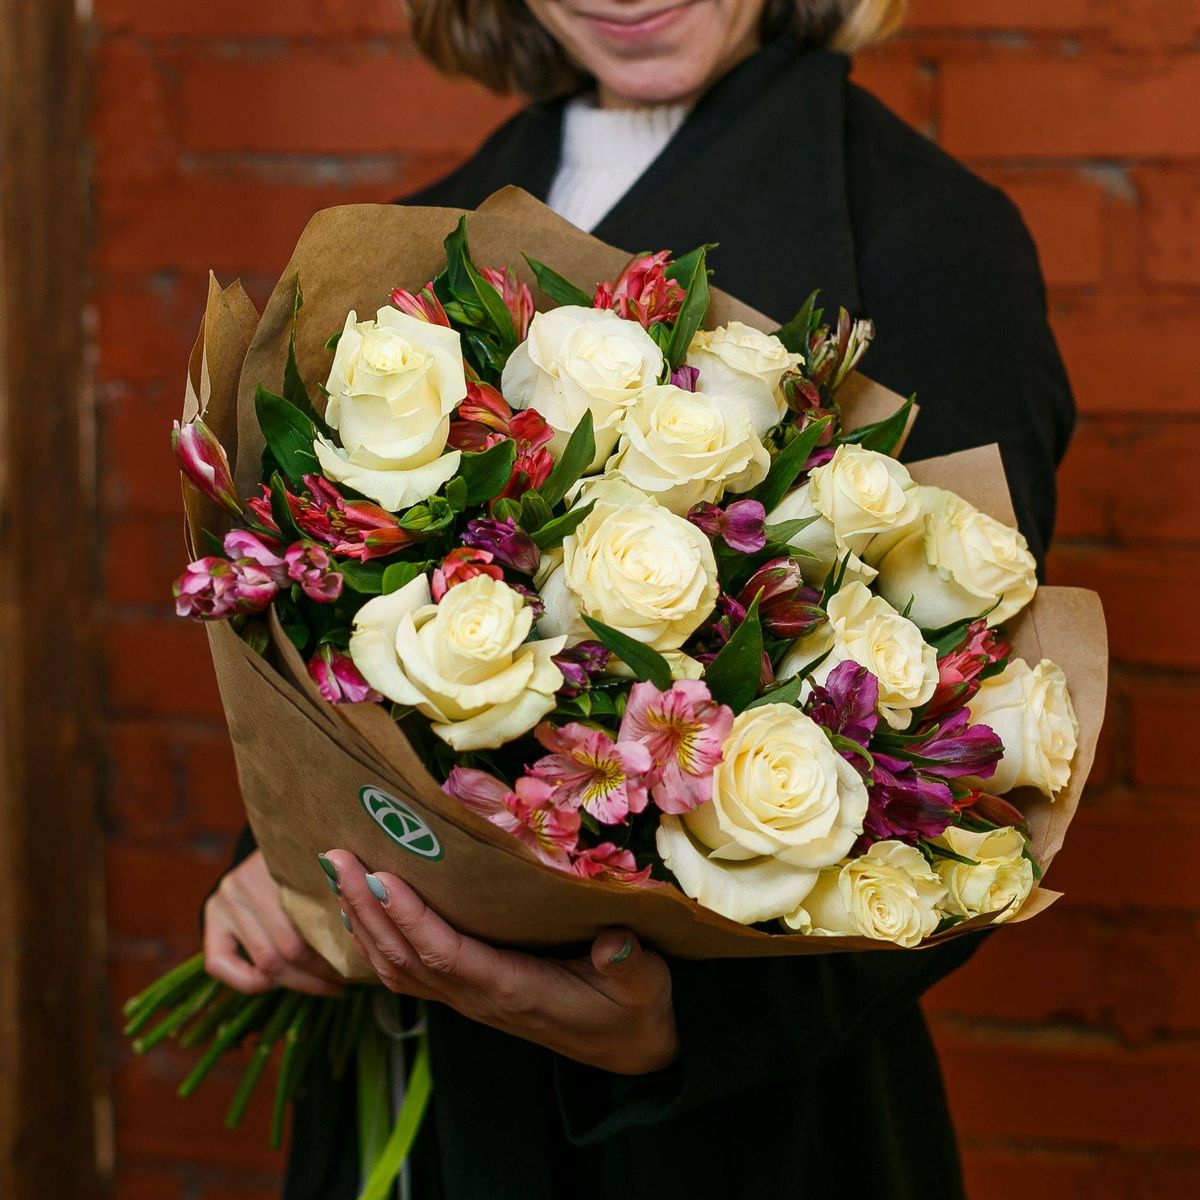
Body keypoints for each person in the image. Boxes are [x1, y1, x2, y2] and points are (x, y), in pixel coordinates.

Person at [202, 2, 1075, 1197]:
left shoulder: (934, 238)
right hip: (413, 1089)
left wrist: (678, 1035)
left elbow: (965, 765)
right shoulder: (428, 219)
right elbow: (324, 619)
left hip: (733, 1133)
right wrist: (289, 853)